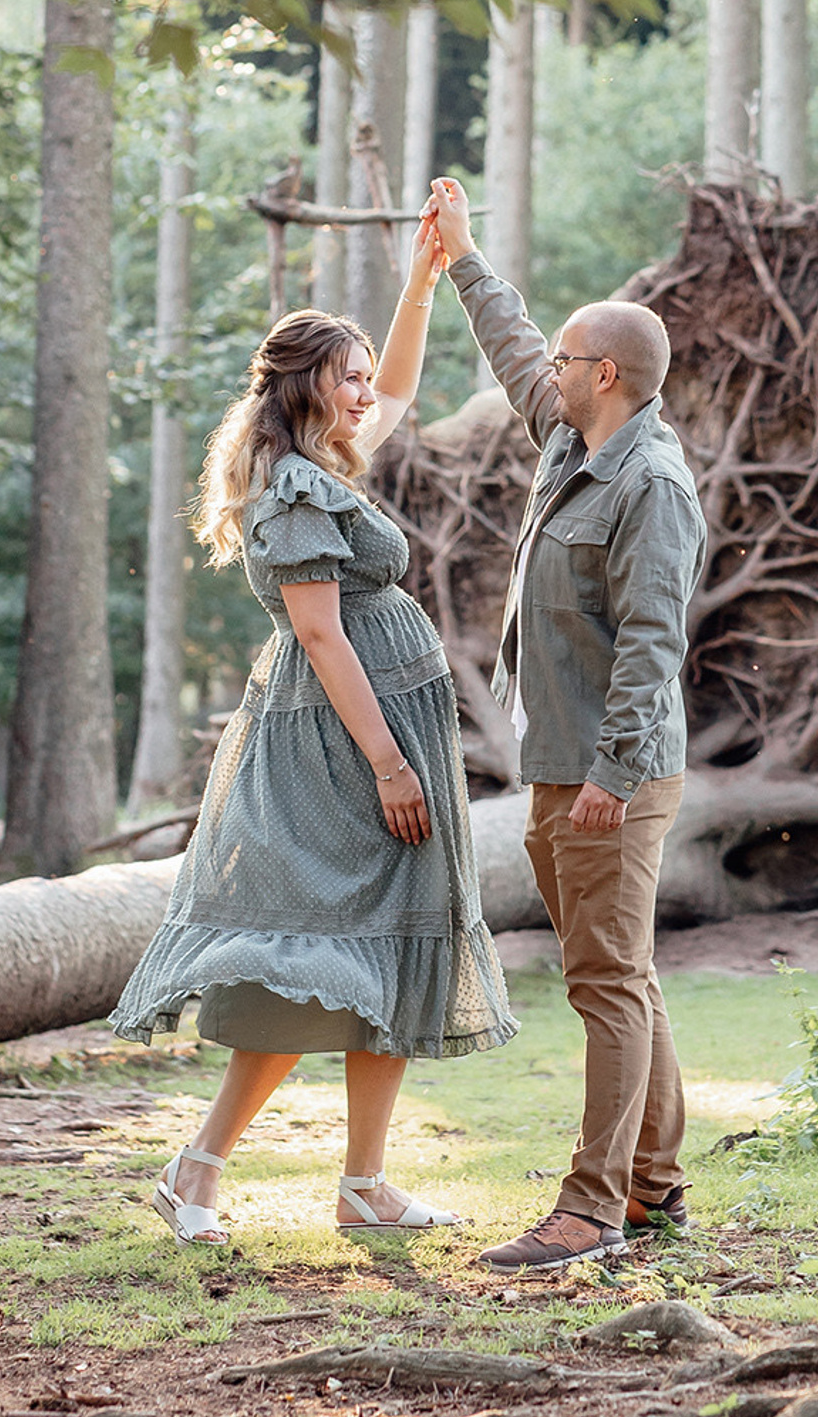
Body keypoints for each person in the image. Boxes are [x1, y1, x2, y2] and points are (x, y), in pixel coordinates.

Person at [110, 218, 517, 1248]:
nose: (362, 392)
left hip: (387, 727)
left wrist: (423, 279)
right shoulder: (288, 488)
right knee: (320, 960)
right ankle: (194, 1170)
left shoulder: (325, 462)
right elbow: (320, 633)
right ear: (299, 386)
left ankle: (364, 1184)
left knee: (389, 947)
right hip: (344, 746)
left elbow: (403, 392)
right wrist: (387, 764)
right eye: (344, 376)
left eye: (360, 373)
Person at [427, 177, 707, 1275]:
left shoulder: (651, 487)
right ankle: (652, 1187)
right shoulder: (571, 439)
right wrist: (461, 259)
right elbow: (514, 346)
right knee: (622, 973)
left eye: (567, 358)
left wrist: (613, 772)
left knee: (599, 983)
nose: (548, 367)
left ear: (607, 377)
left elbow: (650, 645)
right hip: (560, 765)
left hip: (608, 777)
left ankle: (589, 1211)